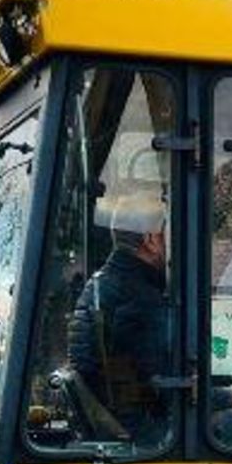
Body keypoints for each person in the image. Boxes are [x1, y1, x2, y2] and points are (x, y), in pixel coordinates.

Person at [66, 178, 171, 441]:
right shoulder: (140, 299)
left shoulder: (102, 285)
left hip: (122, 421)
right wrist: (222, 398)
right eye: (170, 232)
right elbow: (163, 388)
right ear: (151, 239)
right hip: (149, 433)